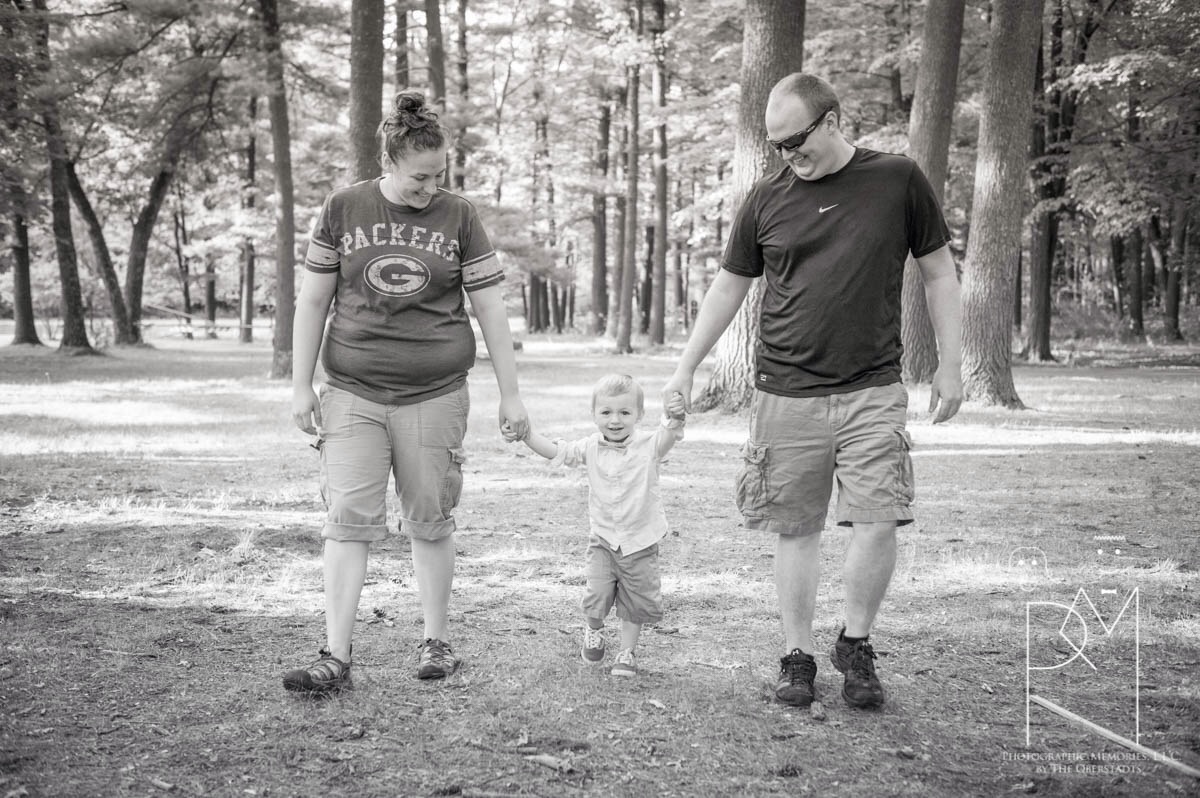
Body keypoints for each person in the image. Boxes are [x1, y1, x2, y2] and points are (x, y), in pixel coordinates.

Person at [662, 73, 963, 710]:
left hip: (872, 387)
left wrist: (951, 363)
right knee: (796, 530)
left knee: (879, 519)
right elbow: (729, 285)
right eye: (775, 145)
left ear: (831, 120)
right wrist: (686, 367)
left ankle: (855, 643)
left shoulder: (897, 180)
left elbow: (939, 272)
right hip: (786, 390)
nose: (786, 155)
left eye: (795, 141)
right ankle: (796, 657)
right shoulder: (767, 197)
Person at [283, 90, 529, 695]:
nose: (430, 187)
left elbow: (490, 309)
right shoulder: (343, 208)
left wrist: (511, 394)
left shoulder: (459, 216)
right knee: (347, 520)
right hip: (353, 391)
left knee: (430, 518)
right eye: (420, 176)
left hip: (435, 393)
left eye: (438, 174)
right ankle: (335, 656)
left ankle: (436, 644)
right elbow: (312, 301)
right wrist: (300, 385)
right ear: (389, 161)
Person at [507, 375, 686, 677]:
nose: (615, 420)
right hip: (603, 540)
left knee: (635, 602)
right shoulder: (590, 447)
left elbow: (669, 432)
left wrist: (674, 415)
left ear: (639, 414)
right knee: (597, 595)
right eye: (606, 412)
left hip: (640, 542)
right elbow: (556, 451)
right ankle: (594, 630)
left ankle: (626, 653)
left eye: (624, 412)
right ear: (594, 414)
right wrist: (526, 435)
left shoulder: (649, 445)